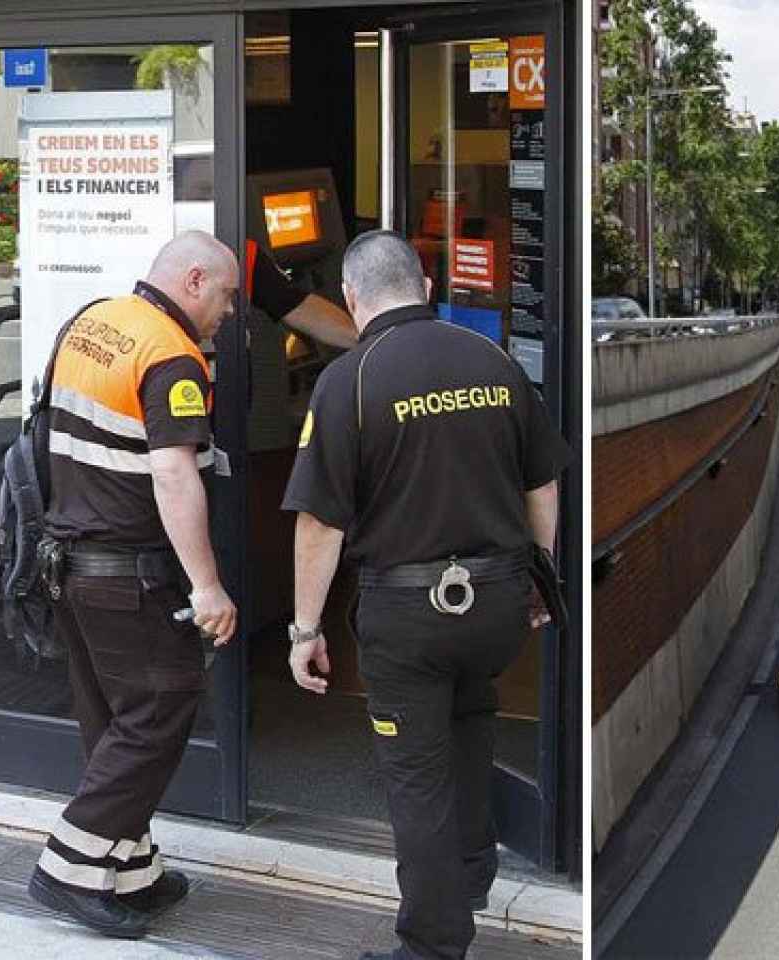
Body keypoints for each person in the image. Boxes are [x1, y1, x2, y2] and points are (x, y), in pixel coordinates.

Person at [280, 230, 571, 960]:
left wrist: (304, 630)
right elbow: (543, 481)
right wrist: (540, 573)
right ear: (426, 284)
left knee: (417, 776)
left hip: (408, 616)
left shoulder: (349, 379)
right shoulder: (495, 363)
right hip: (498, 601)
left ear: (351, 297)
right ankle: (471, 873)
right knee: (471, 729)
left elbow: (320, 522)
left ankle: (433, 944)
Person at [26, 231, 240, 939]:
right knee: (160, 708)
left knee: (111, 723)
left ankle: (131, 868)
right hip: (125, 571)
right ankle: (69, 865)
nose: (230, 312)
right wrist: (207, 587)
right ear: (194, 280)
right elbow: (175, 472)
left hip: (69, 561)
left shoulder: (95, 319)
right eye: (227, 295)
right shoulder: (170, 355)